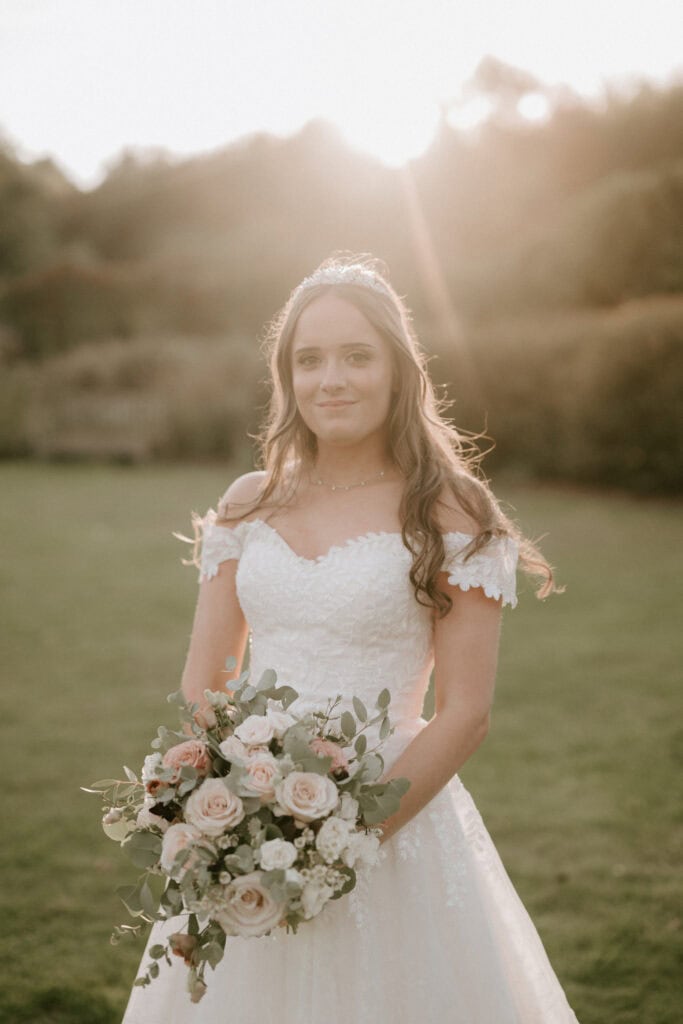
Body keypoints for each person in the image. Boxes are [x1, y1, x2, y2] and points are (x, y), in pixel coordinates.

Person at [121, 254, 579, 1023]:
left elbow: (465, 711)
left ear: (399, 370)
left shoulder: (450, 509)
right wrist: (228, 813)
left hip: (392, 823)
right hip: (247, 829)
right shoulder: (247, 503)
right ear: (286, 377)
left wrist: (341, 838)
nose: (330, 378)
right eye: (309, 360)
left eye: (356, 355)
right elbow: (205, 681)